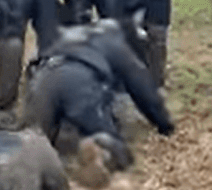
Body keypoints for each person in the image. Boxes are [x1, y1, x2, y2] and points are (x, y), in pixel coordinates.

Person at [22, 19, 174, 172]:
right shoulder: (114, 43)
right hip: (79, 83)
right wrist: (164, 124)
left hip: (43, 78)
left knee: (31, 147)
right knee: (114, 149)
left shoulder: (71, 34)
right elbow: (142, 88)